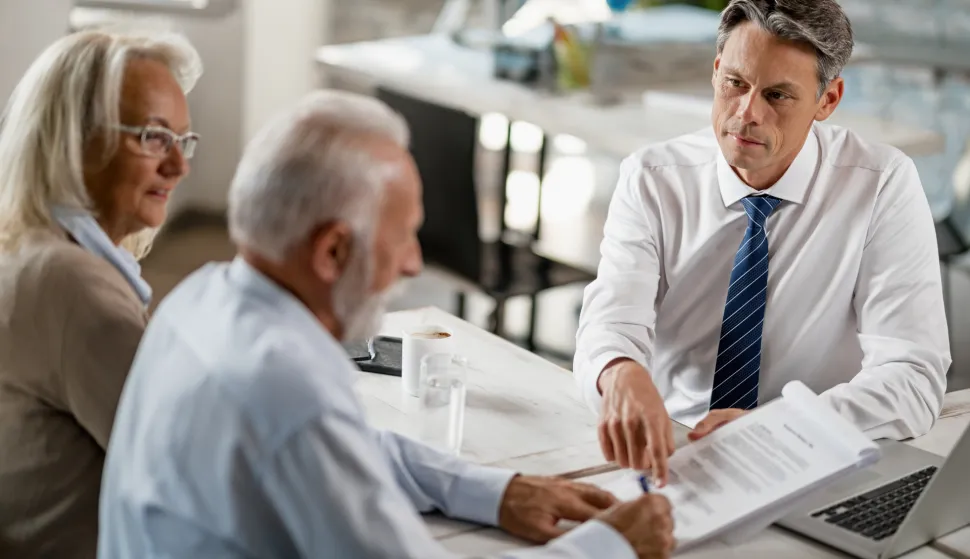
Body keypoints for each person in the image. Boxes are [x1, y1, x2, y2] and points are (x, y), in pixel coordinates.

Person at [98, 90, 676, 559]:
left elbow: (360, 448)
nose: (413, 264)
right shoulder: (286, 392)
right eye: (402, 236)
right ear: (332, 252)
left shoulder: (197, 299)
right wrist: (610, 545)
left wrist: (499, 491)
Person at [574, 0, 951, 486]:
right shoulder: (653, 178)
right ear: (715, 73)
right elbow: (610, 322)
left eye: (777, 95)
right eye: (735, 84)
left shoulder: (880, 184)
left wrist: (781, 426)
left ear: (827, 101)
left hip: (810, 453)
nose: (747, 113)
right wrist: (619, 371)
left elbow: (912, 379)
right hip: (674, 448)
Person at [0, 29, 200, 557]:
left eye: (183, 141)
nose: (178, 166)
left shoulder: (28, 245)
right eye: (154, 137)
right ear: (75, 137)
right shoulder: (73, 285)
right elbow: (187, 480)